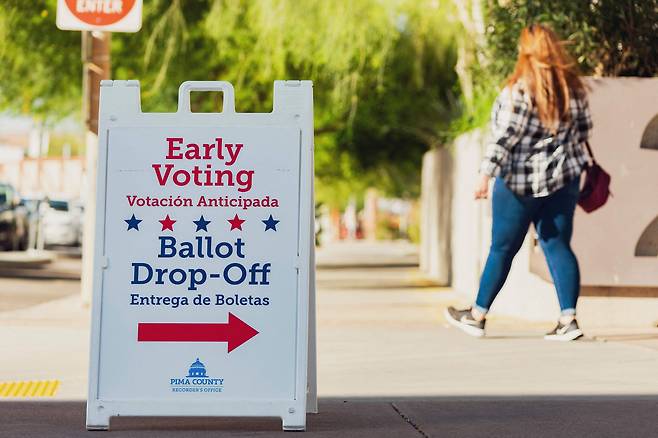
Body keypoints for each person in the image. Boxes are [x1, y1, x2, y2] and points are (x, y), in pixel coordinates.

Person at [445, 24, 592, 341]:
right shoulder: (573, 90)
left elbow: (504, 138)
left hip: (518, 183)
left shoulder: (520, 90)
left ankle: (477, 315)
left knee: (502, 248)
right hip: (563, 180)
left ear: (525, 52)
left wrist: (484, 174)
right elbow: (584, 131)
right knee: (557, 245)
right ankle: (569, 320)